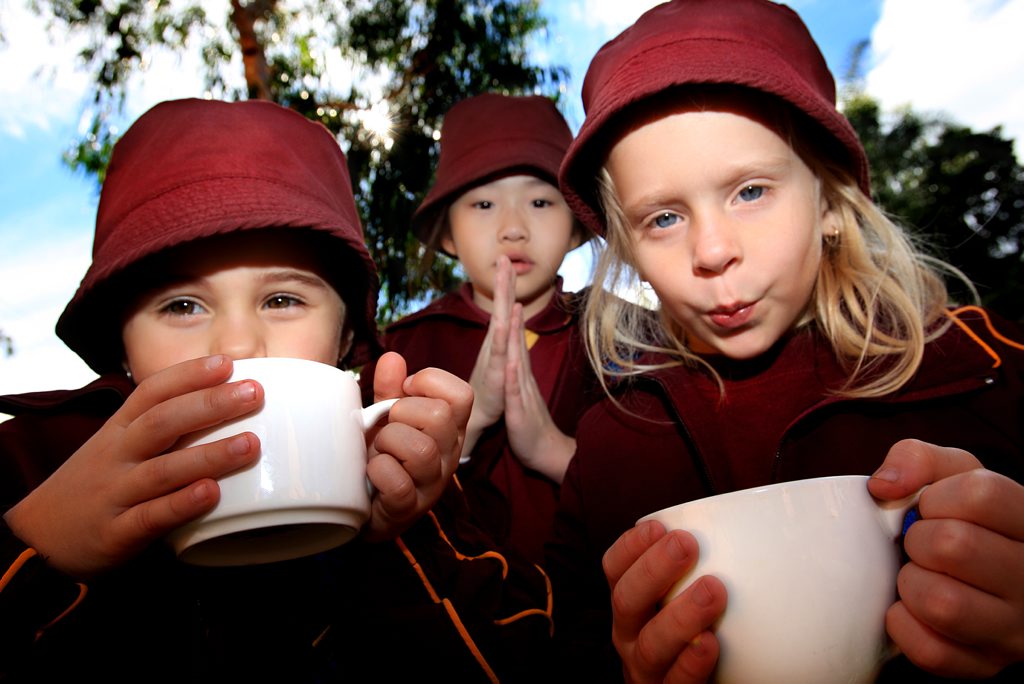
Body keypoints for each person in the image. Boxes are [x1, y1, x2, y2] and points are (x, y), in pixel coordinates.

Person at [548, 1, 1024, 682]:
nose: (712, 251)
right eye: (663, 217)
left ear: (829, 202)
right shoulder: (607, 450)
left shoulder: (990, 367)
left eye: (749, 192)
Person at [0, 98, 552, 682]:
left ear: (344, 342)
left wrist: (396, 536)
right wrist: (37, 548)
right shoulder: (30, 465)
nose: (238, 344)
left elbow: (534, 652)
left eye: (282, 300)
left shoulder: (393, 468)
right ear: (121, 351)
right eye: (182, 305)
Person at [360, 93, 601, 565]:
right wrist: (462, 432)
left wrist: (554, 450)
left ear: (575, 227)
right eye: (485, 203)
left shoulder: (623, 338)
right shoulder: (403, 347)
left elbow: (666, 494)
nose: (513, 228)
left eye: (539, 200)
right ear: (447, 234)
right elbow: (364, 508)